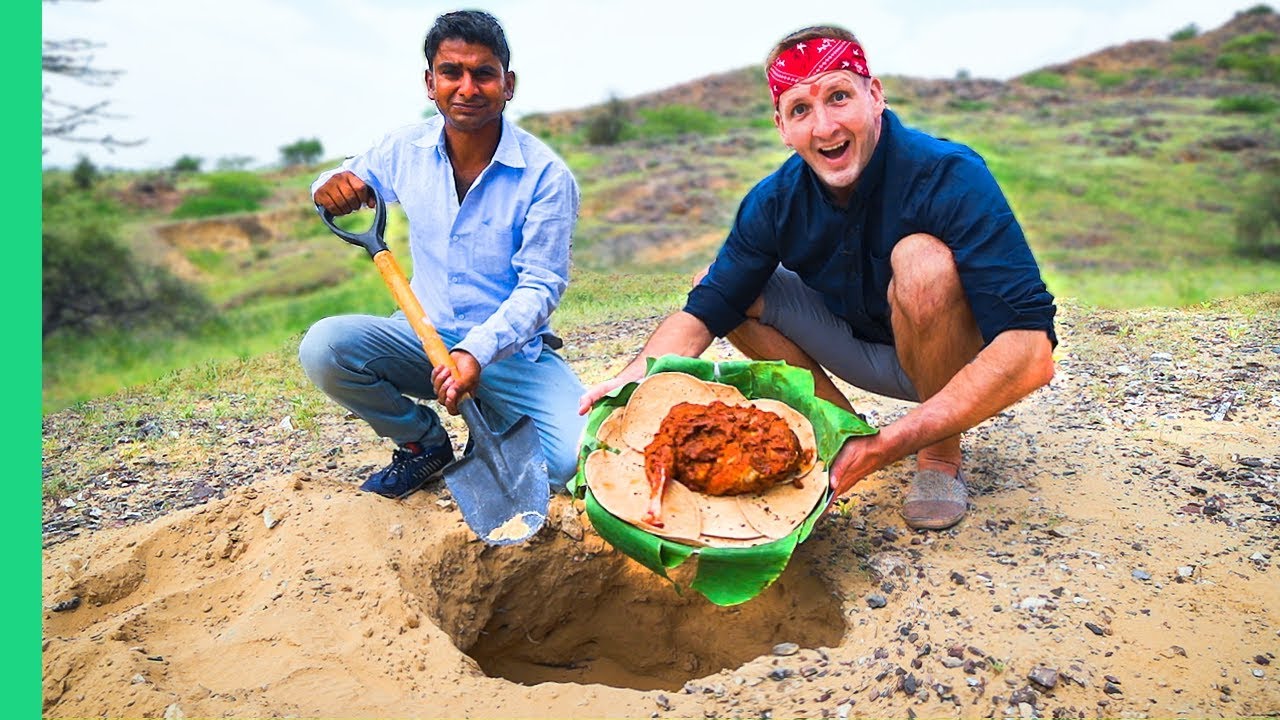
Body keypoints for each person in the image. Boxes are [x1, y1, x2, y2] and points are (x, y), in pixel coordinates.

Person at [579, 26, 1057, 530]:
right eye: (801, 109)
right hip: (861, 347)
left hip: (953, 359)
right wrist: (633, 378)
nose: (824, 126)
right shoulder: (775, 200)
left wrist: (895, 441)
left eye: (838, 96)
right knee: (721, 283)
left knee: (922, 260)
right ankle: (845, 435)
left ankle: (937, 458)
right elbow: (707, 309)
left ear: (875, 96)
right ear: (783, 127)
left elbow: (1031, 352)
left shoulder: (948, 173)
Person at [300, 10, 586, 499]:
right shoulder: (402, 148)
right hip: (422, 337)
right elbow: (340, 179)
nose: (467, 88)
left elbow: (541, 286)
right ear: (430, 83)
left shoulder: (546, 177)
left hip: (508, 352)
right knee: (325, 347)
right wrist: (329, 187)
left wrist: (475, 352)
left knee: (571, 465)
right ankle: (423, 443)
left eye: (484, 74)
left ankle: (491, 416)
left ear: (508, 84)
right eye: (452, 72)